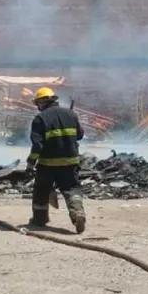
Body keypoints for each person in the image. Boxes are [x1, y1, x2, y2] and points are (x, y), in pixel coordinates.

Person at [27, 87, 86, 233]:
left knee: (41, 191)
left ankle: (39, 220)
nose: (37, 107)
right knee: (72, 189)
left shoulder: (40, 119)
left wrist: (30, 162)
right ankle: (78, 212)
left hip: (47, 164)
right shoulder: (71, 114)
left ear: (42, 102)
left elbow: (37, 145)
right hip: (70, 162)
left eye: (38, 104)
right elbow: (79, 135)